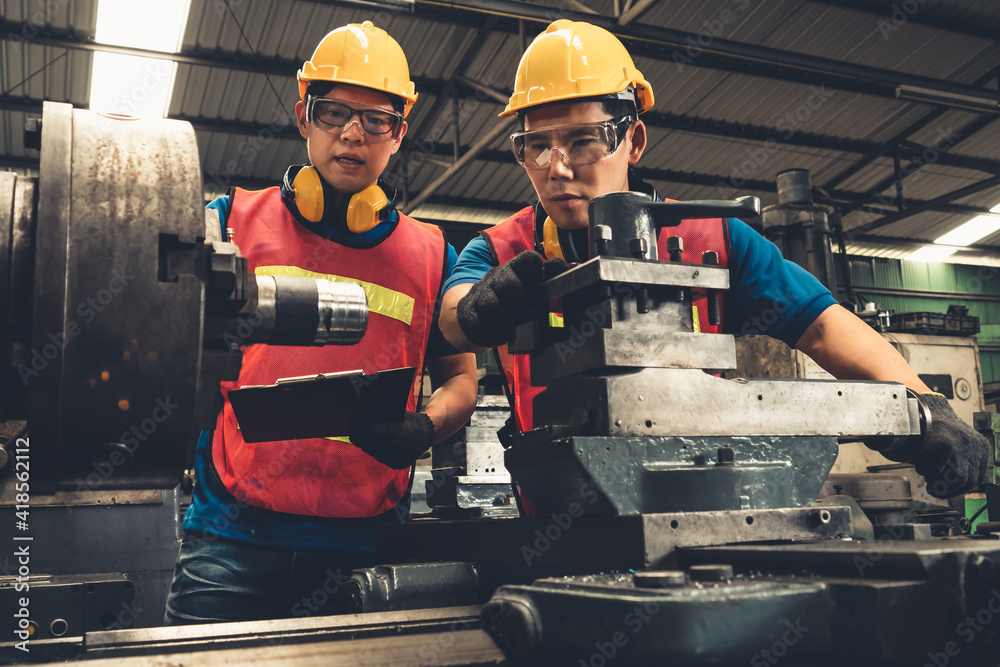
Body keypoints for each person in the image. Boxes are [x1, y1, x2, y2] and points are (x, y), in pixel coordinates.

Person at [439, 19, 988, 500]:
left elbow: (822, 327)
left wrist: (926, 404)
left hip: (705, 509)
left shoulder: (717, 240)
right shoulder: (501, 249)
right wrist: (482, 308)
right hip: (551, 516)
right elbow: (455, 317)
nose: (556, 167)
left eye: (584, 141)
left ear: (634, 140)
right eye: (537, 145)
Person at [164, 21, 478, 624]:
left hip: (367, 546)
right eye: (333, 112)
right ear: (304, 116)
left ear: (399, 134)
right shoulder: (230, 221)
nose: (353, 134)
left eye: (376, 120)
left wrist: (425, 428)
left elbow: (462, 381)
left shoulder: (432, 254)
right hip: (232, 540)